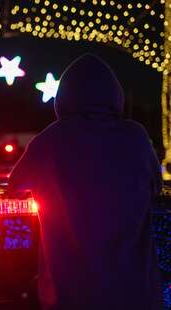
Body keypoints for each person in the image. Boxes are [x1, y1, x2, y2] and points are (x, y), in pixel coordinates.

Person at [9, 54, 163, 309]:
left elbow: (15, 186)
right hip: (135, 291)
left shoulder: (51, 140)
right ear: (115, 94)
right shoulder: (135, 136)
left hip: (72, 292)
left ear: (64, 96)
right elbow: (155, 186)